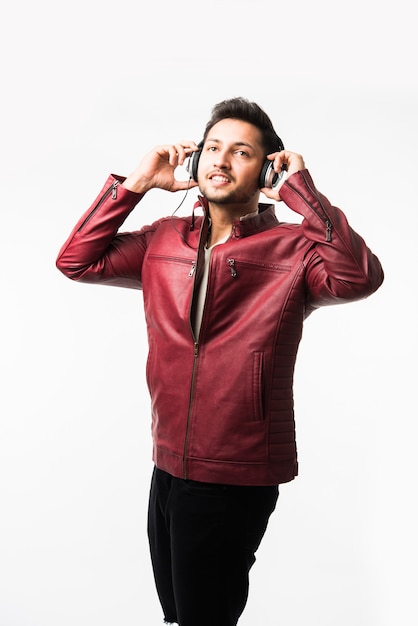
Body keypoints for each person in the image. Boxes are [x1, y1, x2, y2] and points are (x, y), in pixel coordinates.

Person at [56, 97, 384, 625]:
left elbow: (358, 278)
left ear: (269, 170)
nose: (221, 161)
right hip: (167, 464)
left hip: (235, 473)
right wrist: (136, 183)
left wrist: (305, 195)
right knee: (179, 614)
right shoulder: (163, 239)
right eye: (212, 148)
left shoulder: (295, 250)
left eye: (241, 152)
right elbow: (76, 260)